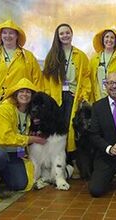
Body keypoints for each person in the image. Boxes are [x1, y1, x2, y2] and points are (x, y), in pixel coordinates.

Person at [0, 78, 47, 201]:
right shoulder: (4, 110)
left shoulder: (28, 114)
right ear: (15, 94)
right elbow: (5, 138)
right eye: (21, 91)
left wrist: (24, 151)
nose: (25, 94)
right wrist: (32, 139)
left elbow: (21, 135)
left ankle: (3, 175)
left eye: (28, 92)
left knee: (20, 184)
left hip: (12, 152)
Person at [42, 23, 90, 177]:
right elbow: (46, 79)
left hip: (73, 97)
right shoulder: (52, 55)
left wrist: (85, 95)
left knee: (71, 131)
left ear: (72, 34)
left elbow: (86, 77)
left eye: (67, 32)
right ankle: (55, 163)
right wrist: (48, 97)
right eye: (61, 33)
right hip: (56, 100)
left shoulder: (80, 55)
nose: (65, 36)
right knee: (58, 131)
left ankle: (71, 163)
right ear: (58, 36)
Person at [0, 19, 43, 103]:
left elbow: (37, 81)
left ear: (17, 36)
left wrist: (38, 101)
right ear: (0, 35)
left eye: (11, 33)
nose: (7, 36)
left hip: (21, 104)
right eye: (4, 32)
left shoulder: (28, 57)